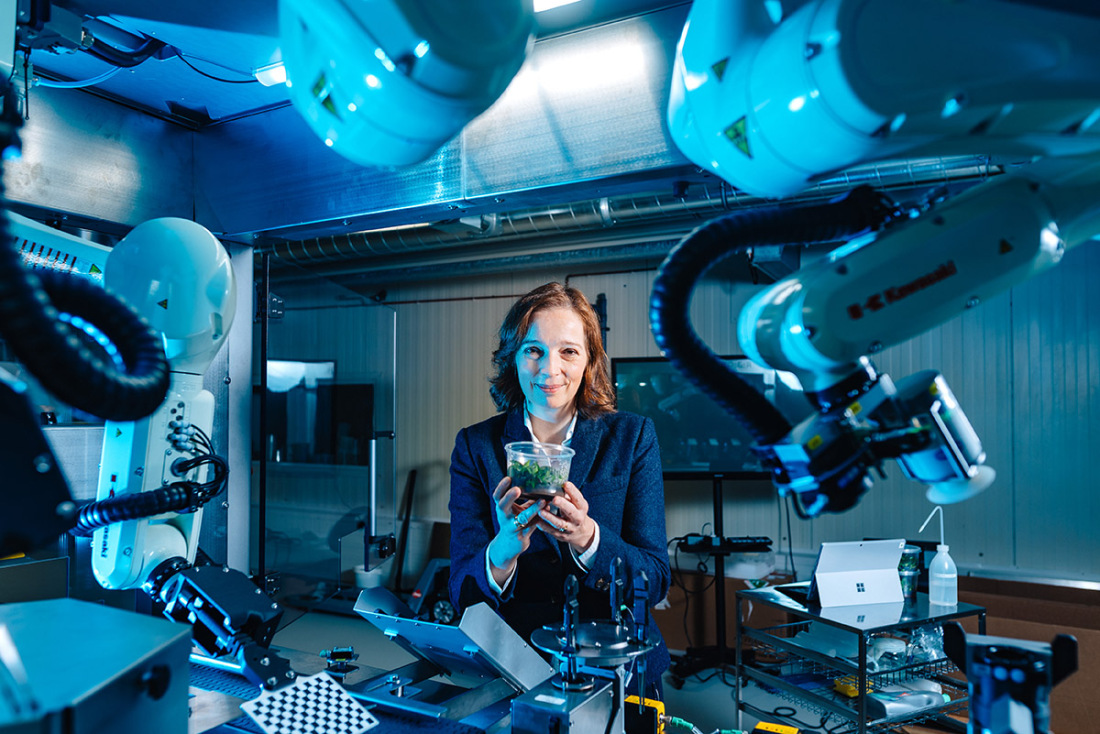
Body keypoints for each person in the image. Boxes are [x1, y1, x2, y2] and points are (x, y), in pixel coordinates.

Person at [448, 282, 671, 699]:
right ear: (513, 358)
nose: (550, 369)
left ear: (589, 360)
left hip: (618, 668)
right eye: (534, 350)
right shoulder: (476, 447)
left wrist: (590, 539)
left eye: (568, 350)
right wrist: (502, 549)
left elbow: (655, 579)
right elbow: (461, 591)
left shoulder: (632, 437)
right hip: (514, 667)